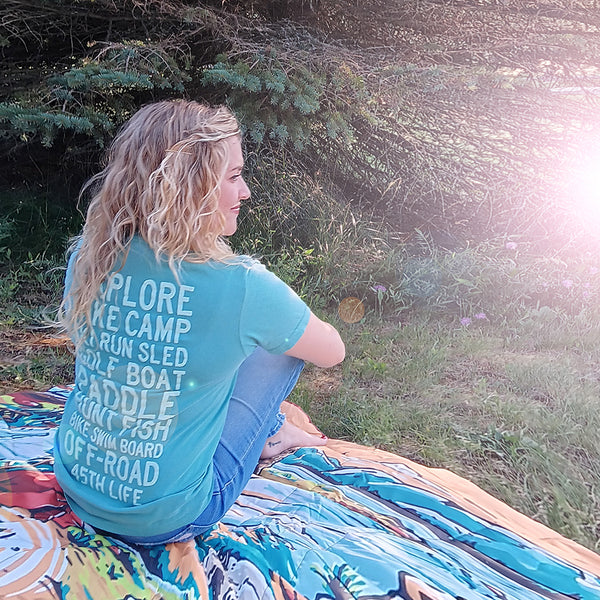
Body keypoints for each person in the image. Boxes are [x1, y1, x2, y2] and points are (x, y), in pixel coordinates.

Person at [53, 99, 345, 545]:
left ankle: (270, 430)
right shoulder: (242, 285)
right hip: (171, 518)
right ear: (187, 187)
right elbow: (332, 350)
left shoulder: (92, 255)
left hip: (79, 486)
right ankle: (272, 434)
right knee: (281, 348)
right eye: (232, 176)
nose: (245, 191)